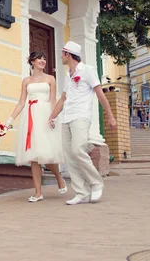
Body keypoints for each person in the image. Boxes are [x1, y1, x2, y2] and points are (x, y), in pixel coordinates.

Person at [48, 41, 117, 205]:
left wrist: (110, 116)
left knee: (78, 149)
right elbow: (64, 98)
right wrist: (52, 116)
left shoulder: (87, 70)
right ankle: (81, 192)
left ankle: (96, 183)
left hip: (81, 116)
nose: (61, 56)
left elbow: (100, 94)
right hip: (66, 117)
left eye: (62, 53)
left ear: (68, 54)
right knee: (69, 156)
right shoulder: (67, 73)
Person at [5, 51, 67, 203]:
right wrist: (10, 120)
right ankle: (38, 192)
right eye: (39, 58)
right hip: (30, 117)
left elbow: (53, 100)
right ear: (32, 61)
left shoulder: (50, 79)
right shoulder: (26, 81)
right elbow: (21, 102)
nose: (43, 60)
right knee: (34, 156)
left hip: (45, 116)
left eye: (44, 58)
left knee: (46, 153)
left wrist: (53, 116)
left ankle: (59, 177)